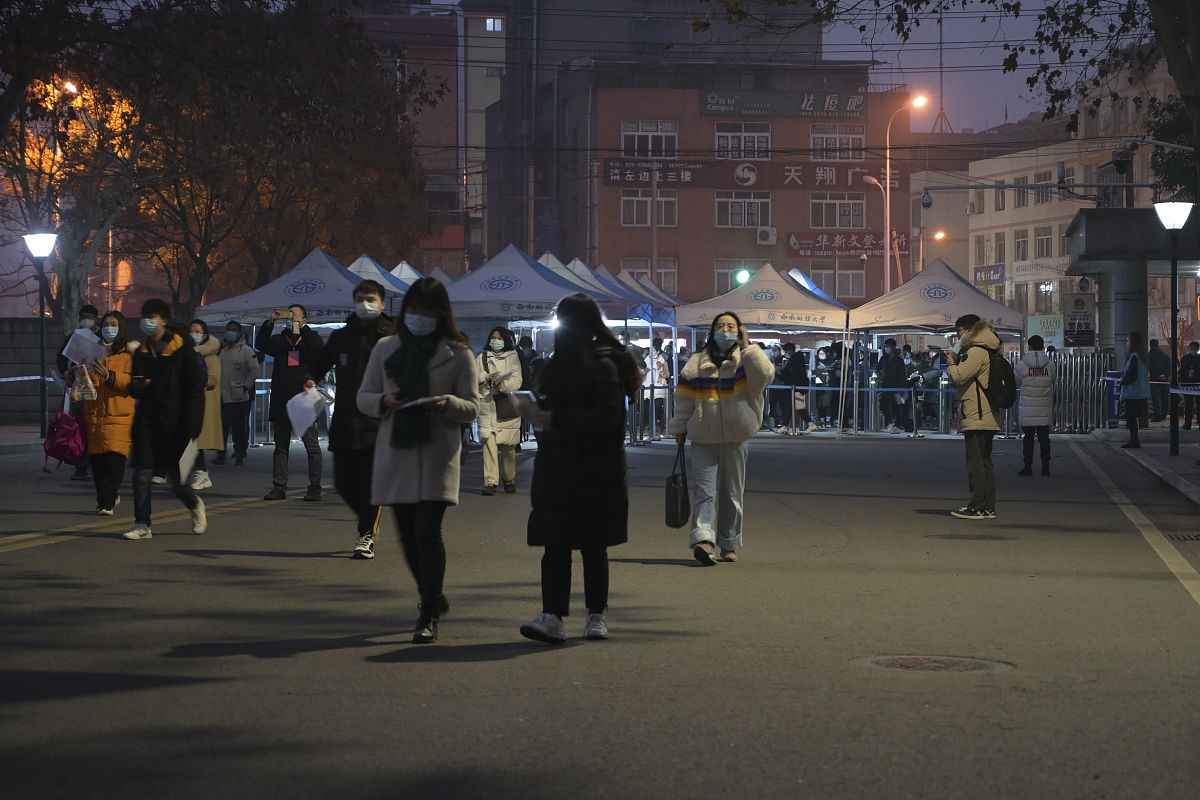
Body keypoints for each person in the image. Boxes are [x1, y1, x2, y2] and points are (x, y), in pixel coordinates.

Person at [356, 277, 478, 644]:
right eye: (414, 311)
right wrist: (384, 401)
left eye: (427, 312)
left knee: (428, 531)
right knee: (408, 536)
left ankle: (427, 609)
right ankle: (431, 594)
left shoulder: (458, 352)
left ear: (440, 314)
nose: (419, 317)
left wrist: (447, 404)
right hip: (398, 450)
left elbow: (472, 407)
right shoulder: (385, 348)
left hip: (438, 451)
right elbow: (364, 396)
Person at [519, 294, 643, 644]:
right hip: (560, 467)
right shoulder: (562, 362)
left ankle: (595, 614)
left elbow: (608, 419)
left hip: (593, 469)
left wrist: (553, 418)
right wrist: (532, 408)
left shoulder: (602, 363)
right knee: (557, 545)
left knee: (592, 545)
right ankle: (553, 617)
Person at [669, 311, 774, 565]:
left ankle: (729, 542)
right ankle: (704, 540)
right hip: (703, 436)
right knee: (705, 491)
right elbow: (684, 399)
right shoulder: (696, 362)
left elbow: (766, 376)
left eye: (731, 326)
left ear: (739, 331)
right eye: (720, 325)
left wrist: (748, 346)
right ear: (712, 331)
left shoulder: (746, 361)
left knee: (732, 493)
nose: (725, 330)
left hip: (736, 436)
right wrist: (680, 427)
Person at [310, 280, 392, 560]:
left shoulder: (393, 336)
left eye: (370, 299)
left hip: (379, 420)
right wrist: (308, 379)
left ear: (382, 303)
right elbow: (319, 365)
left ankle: (365, 534)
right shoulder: (341, 337)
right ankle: (370, 520)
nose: (365, 304)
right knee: (343, 483)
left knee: (370, 482)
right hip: (345, 418)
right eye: (360, 299)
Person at [121, 299, 206, 540]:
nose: (148, 321)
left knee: (177, 483)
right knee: (142, 474)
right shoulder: (142, 352)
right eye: (145, 316)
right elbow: (136, 388)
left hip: (176, 423)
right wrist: (137, 387)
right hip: (148, 421)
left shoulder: (183, 351)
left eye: (153, 316)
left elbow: (195, 390)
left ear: (164, 321)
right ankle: (142, 524)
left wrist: (193, 425)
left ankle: (195, 505)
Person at [257, 304, 324, 501]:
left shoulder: (311, 339)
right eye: (289, 315)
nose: (292, 318)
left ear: (305, 319)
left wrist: (303, 329)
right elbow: (261, 344)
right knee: (281, 447)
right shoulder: (280, 341)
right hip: (281, 399)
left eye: (296, 315)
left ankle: (314, 487)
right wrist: (270, 322)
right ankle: (279, 487)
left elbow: (320, 350)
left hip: (303, 400)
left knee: (312, 447)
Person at [945, 314, 1001, 519]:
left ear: (969, 330)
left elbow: (960, 376)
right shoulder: (987, 348)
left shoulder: (977, 351)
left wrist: (951, 364)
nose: (957, 336)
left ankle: (977, 506)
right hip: (985, 413)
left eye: (959, 331)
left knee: (976, 462)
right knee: (985, 462)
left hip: (977, 413)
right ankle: (987, 506)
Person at [81, 311, 134, 515]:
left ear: (121, 328)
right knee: (98, 464)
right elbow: (73, 381)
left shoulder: (129, 355)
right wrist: (76, 372)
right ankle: (107, 497)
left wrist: (109, 376)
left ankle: (106, 503)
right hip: (93, 415)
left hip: (118, 417)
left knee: (114, 461)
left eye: (113, 324)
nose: (108, 328)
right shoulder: (91, 351)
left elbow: (132, 383)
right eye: (105, 324)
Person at [476, 327, 522, 495]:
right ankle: (490, 482)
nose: (495, 341)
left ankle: (509, 478)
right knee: (489, 445)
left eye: (499, 338)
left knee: (508, 448)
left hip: (505, 406)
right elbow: (471, 378)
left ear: (506, 340)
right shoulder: (481, 358)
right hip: (487, 407)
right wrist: (485, 377)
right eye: (493, 338)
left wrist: (502, 384)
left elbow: (517, 380)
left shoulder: (513, 357)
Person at [57, 303, 101, 481]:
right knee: (79, 426)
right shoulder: (73, 337)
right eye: (84, 316)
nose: (87, 320)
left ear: (96, 318)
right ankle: (81, 465)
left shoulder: (101, 336)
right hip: (78, 387)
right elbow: (61, 358)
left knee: (95, 426)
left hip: (97, 388)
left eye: (90, 316)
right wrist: (65, 372)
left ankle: (97, 463)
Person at [187, 320, 223, 490]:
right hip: (190, 401)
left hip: (203, 402)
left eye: (198, 331)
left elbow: (213, 378)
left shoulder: (210, 356)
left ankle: (201, 472)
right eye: (191, 331)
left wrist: (193, 380)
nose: (194, 334)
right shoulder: (187, 354)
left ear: (204, 334)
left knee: (196, 439)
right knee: (191, 440)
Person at [217, 321, 259, 465]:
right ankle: (221, 454)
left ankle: (240, 452)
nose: (230, 332)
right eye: (228, 329)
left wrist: (246, 386)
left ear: (240, 332)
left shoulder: (246, 350)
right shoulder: (223, 350)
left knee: (238, 428)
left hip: (239, 396)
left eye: (233, 330)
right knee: (222, 427)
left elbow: (255, 370)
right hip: (223, 395)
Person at [1015, 334, 1055, 476]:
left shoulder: (1021, 365)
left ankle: (1028, 467)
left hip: (1027, 407)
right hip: (1044, 407)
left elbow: (1017, 382)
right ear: (1043, 346)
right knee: (1044, 438)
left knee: (1028, 439)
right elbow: (1052, 381)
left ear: (1029, 346)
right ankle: (1045, 467)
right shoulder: (1050, 365)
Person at [1119, 330, 1151, 449]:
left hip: (1132, 392)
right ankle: (1134, 440)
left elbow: (1131, 374)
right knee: (1133, 417)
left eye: (1128, 340)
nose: (1127, 343)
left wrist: (1123, 381)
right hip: (1140, 392)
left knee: (1130, 417)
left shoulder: (1133, 357)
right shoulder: (1142, 357)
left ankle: (1134, 440)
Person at [776, 343, 817, 434]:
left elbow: (788, 374)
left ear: (789, 350)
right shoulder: (798, 359)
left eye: (785, 351)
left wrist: (779, 373)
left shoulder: (794, 360)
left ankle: (786, 426)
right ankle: (808, 424)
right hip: (798, 387)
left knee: (793, 406)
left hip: (795, 387)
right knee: (796, 406)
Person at [876, 337, 908, 433]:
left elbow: (902, 375)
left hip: (897, 386)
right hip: (885, 386)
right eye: (885, 347)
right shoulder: (883, 358)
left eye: (888, 346)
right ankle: (890, 422)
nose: (886, 348)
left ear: (893, 347)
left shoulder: (899, 360)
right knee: (883, 404)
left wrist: (902, 388)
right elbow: (878, 369)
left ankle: (898, 425)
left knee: (897, 407)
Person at [1148, 338, 1171, 423]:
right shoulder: (1165, 355)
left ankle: (1158, 416)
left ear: (1151, 345)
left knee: (1156, 399)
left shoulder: (1150, 355)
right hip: (1164, 380)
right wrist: (1165, 375)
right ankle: (1164, 415)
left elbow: (1150, 367)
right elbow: (1169, 367)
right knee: (1165, 398)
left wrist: (1157, 375)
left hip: (1154, 380)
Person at [1180, 341, 1200, 429]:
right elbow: (1182, 371)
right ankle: (1188, 423)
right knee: (1188, 405)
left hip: (1195, 385)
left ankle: (1191, 423)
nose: (1193, 350)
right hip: (1188, 384)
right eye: (1192, 349)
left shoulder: (1189, 358)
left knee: (1194, 405)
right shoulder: (1185, 358)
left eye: (1195, 349)